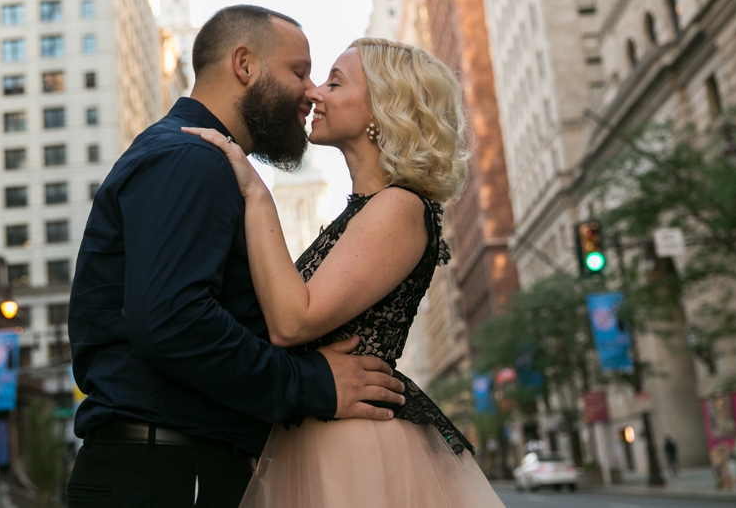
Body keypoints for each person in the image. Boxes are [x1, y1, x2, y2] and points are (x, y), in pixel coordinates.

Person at [66, 6, 406, 508]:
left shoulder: (203, 161)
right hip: (170, 474)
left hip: (174, 467)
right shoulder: (190, 159)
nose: (311, 91)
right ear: (244, 65)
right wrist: (311, 383)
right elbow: (173, 321)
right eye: (298, 71)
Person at [186, 38, 506, 507]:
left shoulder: (398, 206)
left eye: (335, 82)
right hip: (325, 438)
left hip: (357, 446)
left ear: (384, 108)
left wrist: (255, 193)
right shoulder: (365, 211)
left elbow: (293, 320)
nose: (314, 92)